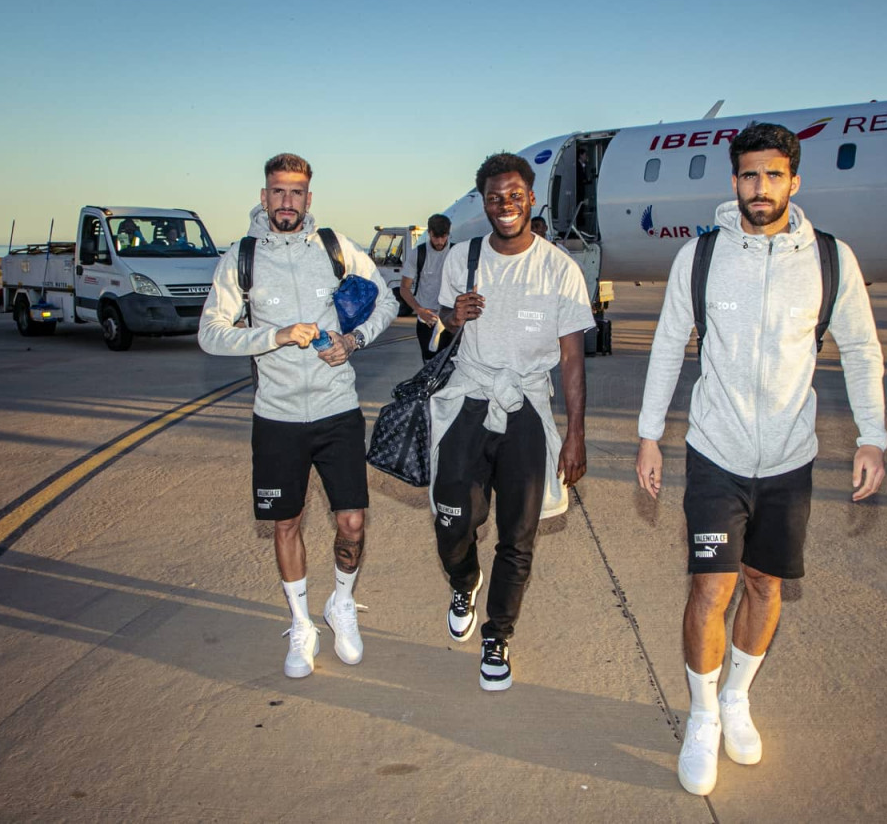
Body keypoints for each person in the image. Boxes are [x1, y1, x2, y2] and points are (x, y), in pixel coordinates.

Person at [635, 123, 887, 795]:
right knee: (710, 588)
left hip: (788, 458)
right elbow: (668, 344)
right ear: (734, 181)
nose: (761, 187)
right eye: (749, 175)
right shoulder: (701, 256)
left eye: (774, 174)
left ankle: (737, 696)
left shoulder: (830, 259)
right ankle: (702, 716)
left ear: (794, 181)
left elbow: (860, 348)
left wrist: (872, 435)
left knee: (765, 585)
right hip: (715, 452)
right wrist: (649, 433)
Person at [198, 153, 399, 679]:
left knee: (352, 523)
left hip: (338, 410)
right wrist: (276, 335)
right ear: (264, 197)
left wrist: (354, 340)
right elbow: (211, 333)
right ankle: (301, 624)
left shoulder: (335, 247)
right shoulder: (241, 258)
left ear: (309, 198)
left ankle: (341, 603)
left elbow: (387, 302)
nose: (286, 201)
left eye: (296, 192)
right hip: (277, 417)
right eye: (278, 191)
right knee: (285, 523)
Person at [429, 152, 594, 691]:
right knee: (453, 519)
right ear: (484, 202)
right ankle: (464, 580)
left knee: (518, 536)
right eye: (495, 197)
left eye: (515, 195)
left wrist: (574, 434)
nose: (505, 205)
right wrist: (453, 316)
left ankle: (497, 635)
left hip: (525, 407)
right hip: (469, 401)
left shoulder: (559, 269)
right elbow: (442, 323)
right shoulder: (463, 257)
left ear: (531, 199)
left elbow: (572, 358)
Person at [399, 214, 454, 362]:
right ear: (429, 233)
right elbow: (404, 288)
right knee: (430, 364)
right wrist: (419, 310)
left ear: (449, 234)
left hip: (451, 318)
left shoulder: (457, 253)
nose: (440, 242)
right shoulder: (418, 253)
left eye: (444, 237)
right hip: (427, 319)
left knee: (451, 366)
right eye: (436, 237)